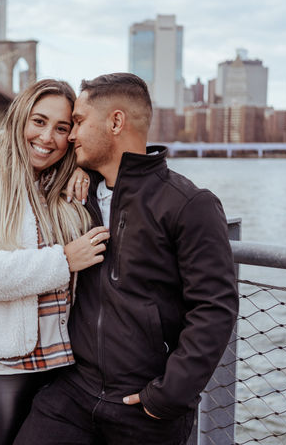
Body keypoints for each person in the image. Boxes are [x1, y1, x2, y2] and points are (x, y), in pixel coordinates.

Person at [14, 73, 239, 444]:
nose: (71, 135)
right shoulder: (77, 194)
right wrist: (73, 171)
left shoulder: (188, 204)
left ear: (116, 122)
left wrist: (167, 396)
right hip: (72, 391)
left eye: (80, 122)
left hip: (144, 406)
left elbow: (215, 308)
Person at [0, 78, 111, 445]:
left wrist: (83, 172)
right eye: (39, 121)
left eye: (61, 128)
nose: (47, 137)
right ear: (20, 118)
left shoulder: (66, 185)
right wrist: (64, 260)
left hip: (62, 369)